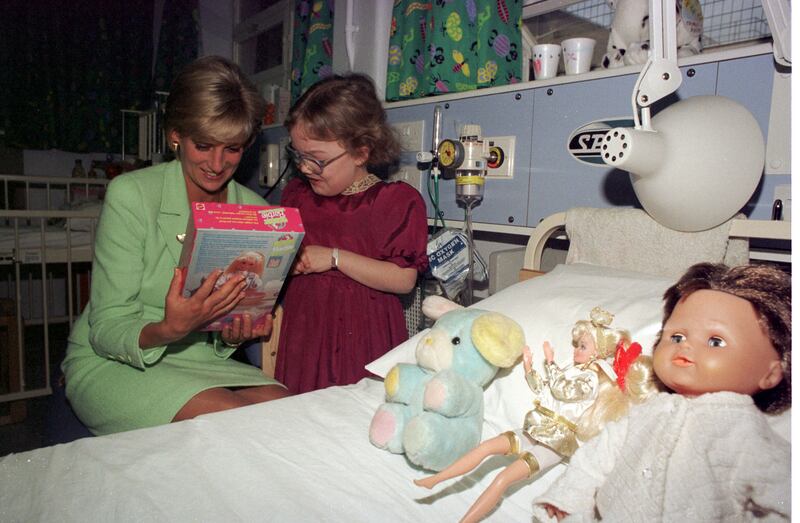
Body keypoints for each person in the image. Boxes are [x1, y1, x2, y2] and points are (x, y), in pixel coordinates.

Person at [62, 56, 291, 436]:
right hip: (115, 359)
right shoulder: (132, 195)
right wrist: (169, 329)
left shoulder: (257, 212)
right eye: (203, 145)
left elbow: (222, 330)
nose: (217, 163)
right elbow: (107, 327)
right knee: (235, 423)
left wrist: (232, 334)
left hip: (201, 362)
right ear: (175, 136)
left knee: (288, 413)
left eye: (232, 149)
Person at [534, 262, 791, 521]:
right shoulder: (650, 411)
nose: (685, 347)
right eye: (677, 337)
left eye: (715, 341)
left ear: (770, 374)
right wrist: (569, 498)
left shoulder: (744, 432)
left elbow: (783, 494)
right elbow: (596, 457)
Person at [414, 307, 652, 523]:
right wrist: (529, 368)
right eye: (577, 344)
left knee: (503, 479)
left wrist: (550, 362)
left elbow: (563, 390)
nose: (576, 350)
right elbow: (544, 390)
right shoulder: (571, 369)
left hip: (555, 444)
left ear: (597, 352)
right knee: (486, 447)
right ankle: (437, 479)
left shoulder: (591, 379)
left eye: (583, 346)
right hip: (538, 426)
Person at [276, 73, 429, 394]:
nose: (304, 168)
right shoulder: (297, 197)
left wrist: (334, 258)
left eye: (317, 160)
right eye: (298, 155)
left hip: (363, 337)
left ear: (361, 152)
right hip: (305, 336)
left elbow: (404, 279)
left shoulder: (393, 202)